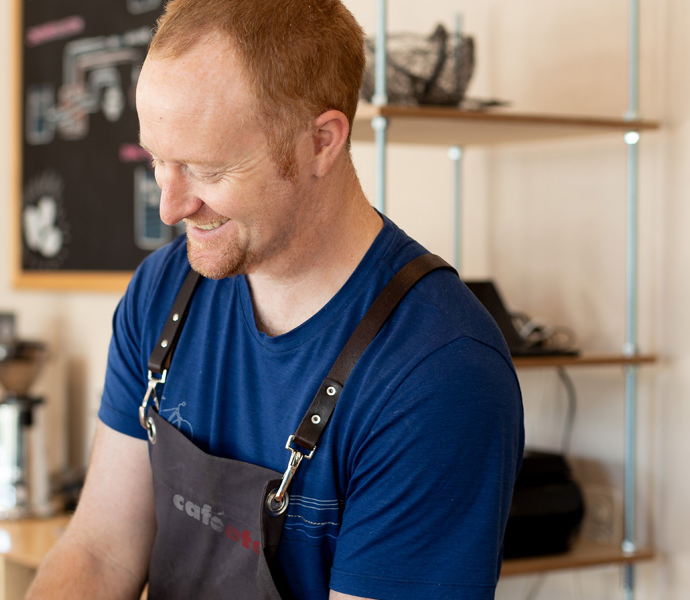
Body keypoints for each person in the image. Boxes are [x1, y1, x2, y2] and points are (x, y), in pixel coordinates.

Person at [27, 0, 524, 598]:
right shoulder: (163, 294)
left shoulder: (436, 372)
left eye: (207, 171)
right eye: (160, 161)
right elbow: (101, 551)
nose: (169, 206)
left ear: (321, 141)